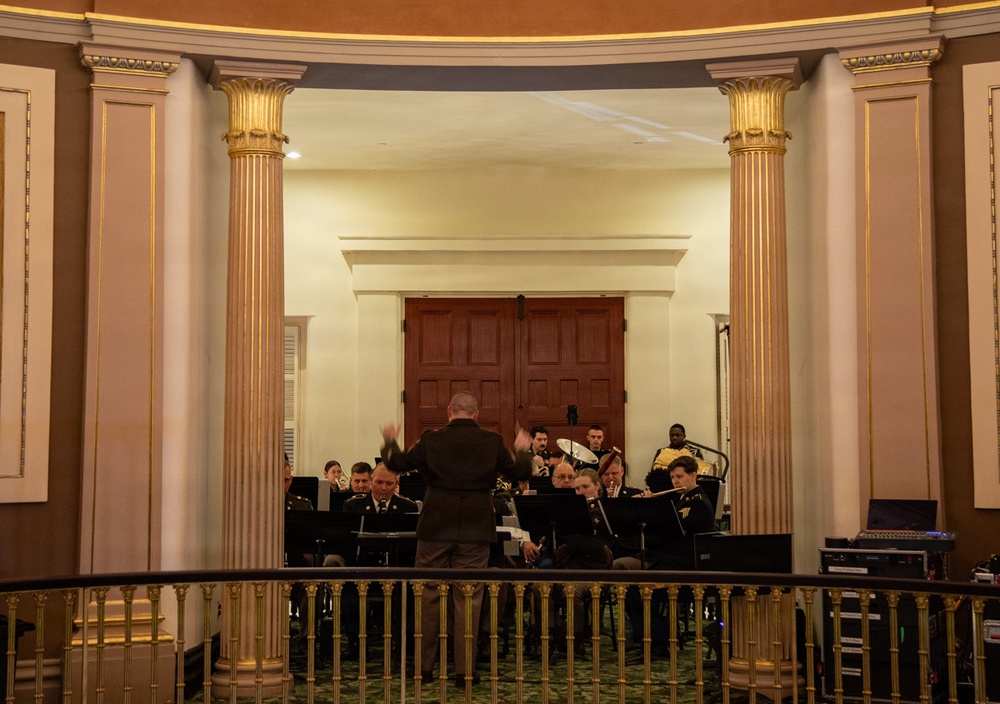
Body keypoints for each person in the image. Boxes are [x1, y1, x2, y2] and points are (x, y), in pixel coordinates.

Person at [379, 391, 532, 688]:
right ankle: (466, 673)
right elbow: (520, 472)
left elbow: (396, 463)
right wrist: (522, 448)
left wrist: (389, 440)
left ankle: (424, 670)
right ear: (476, 414)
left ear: (449, 411)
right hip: (476, 528)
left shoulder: (432, 439)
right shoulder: (491, 442)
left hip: (436, 526)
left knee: (428, 596)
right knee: (469, 598)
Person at [622, 455, 716, 656]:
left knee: (640, 593)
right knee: (630, 590)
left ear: (694, 475)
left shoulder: (699, 503)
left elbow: (671, 530)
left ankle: (657, 644)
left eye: (680, 477)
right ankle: (652, 639)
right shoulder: (680, 500)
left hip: (686, 570)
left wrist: (650, 508)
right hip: (671, 562)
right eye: (673, 477)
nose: (675, 482)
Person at [344, 463, 418, 515]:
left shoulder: (408, 507)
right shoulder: (353, 505)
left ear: (396, 484)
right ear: (371, 480)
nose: (383, 488)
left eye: (389, 483)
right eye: (379, 482)